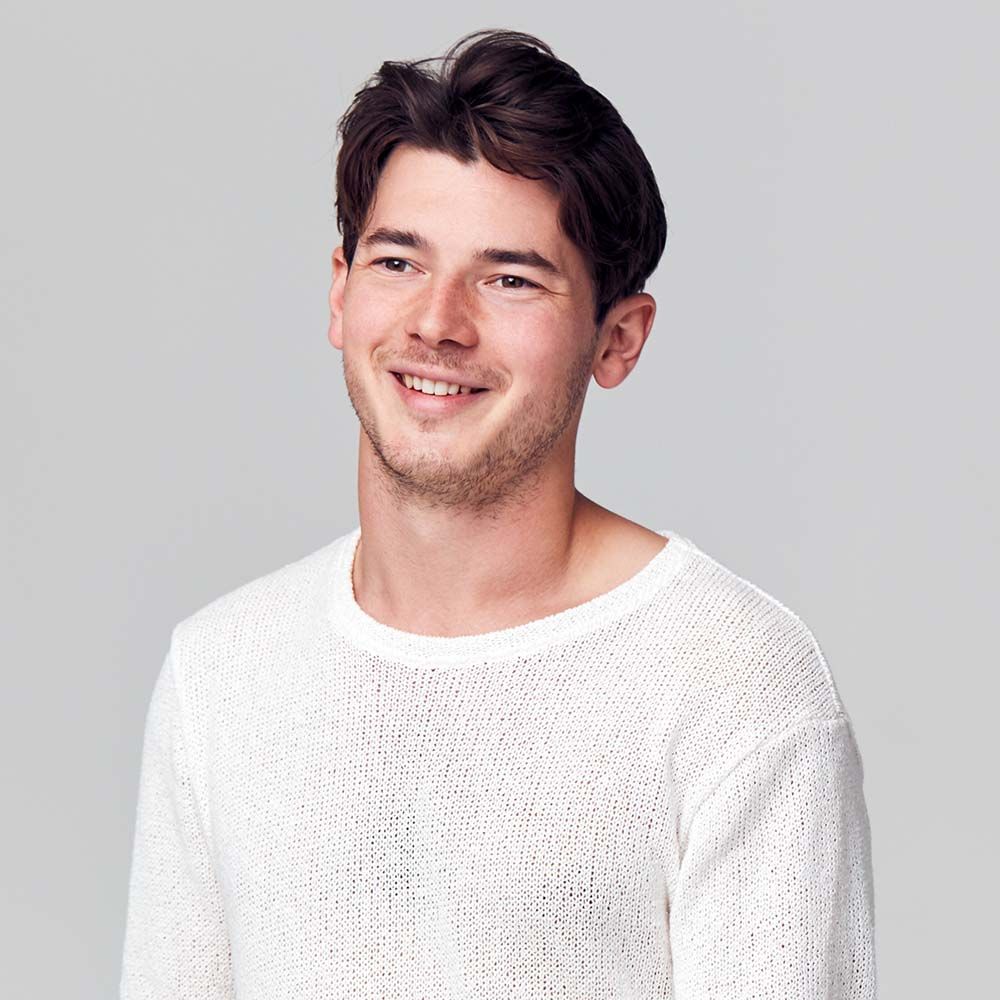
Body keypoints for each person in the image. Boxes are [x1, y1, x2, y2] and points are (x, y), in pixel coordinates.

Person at [120, 28, 876, 999]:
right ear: (339, 293)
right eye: (398, 262)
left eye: (510, 278)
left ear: (618, 338)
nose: (438, 322)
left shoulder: (734, 685)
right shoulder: (220, 675)